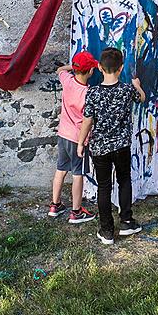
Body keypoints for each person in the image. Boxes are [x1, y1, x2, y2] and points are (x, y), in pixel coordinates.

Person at [77, 47, 145, 245]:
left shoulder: (93, 93)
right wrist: (137, 85)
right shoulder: (126, 90)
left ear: (98, 67)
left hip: (100, 148)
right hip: (122, 146)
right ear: (121, 68)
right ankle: (126, 221)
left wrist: (81, 143)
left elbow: (87, 120)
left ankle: (107, 231)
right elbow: (141, 98)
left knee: (104, 187)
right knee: (124, 181)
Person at [48, 51, 98, 223]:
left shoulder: (67, 81)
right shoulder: (89, 93)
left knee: (61, 170)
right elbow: (87, 121)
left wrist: (74, 67)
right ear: (91, 71)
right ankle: (76, 211)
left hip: (63, 134)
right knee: (78, 174)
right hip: (78, 139)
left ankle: (55, 204)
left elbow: (60, 69)